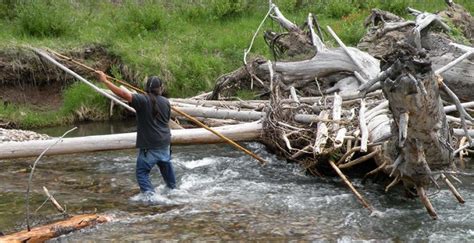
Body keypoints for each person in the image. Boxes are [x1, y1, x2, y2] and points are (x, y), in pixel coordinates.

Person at [96, 71, 176, 195]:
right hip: (165, 144)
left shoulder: (142, 101)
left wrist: (105, 81)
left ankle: (151, 198)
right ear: (161, 88)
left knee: (142, 173)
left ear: (146, 89)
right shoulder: (166, 102)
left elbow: (123, 94)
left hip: (149, 147)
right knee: (166, 167)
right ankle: (173, 190)